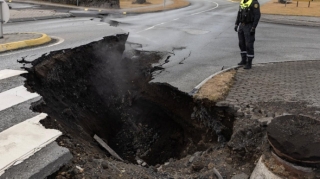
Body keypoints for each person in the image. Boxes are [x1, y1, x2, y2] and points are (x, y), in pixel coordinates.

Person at [234, 0, 261, 69]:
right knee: (241, 43)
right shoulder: (243, 2)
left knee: (249, 45)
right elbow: (239, 13)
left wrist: (253, 27)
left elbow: (257, 15)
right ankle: (243, 60)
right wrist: (236, 23)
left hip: (249, 25)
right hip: (242, 25)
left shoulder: (254, 2)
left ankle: (249, 63)